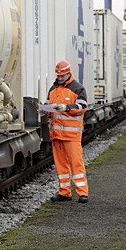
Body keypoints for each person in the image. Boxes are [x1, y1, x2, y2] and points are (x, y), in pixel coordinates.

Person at [46, 60, 89, 203]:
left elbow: (82, 107)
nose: (59, 78)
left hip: (71, 136)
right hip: (57, 135)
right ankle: (64, 193)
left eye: (62, 76)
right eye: (58, 76)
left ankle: (83, 193)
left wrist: (66, 108)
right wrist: (45, 109)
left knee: (76, 164)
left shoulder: (78, 88)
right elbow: (49, 106)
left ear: (68, 73)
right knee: (61, 166)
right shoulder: (53, 89)